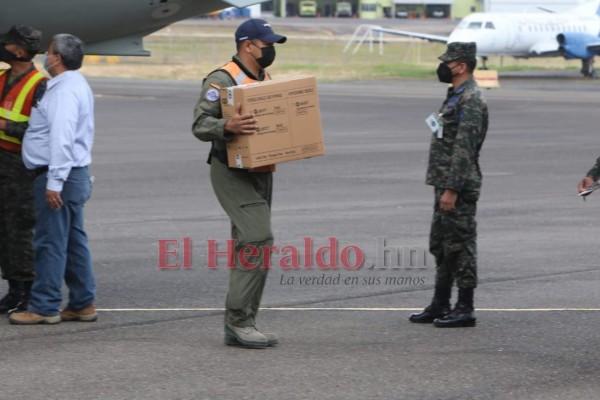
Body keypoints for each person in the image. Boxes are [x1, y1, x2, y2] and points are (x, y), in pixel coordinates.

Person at [192, 19, 286, 348]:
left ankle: (244, 321)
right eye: (267, 44)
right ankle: (238, 320)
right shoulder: (222, 79)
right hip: (230, 170)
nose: (271, 50)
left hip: (261, 170)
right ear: (248, 45)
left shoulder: (264, 78)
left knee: (250, 244)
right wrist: (227, 125)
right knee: (258, 236)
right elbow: (200, 124)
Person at [10, 33, 96, 325]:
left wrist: (53, 183)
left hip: (58, 175)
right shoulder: (73, 84)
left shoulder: (62, 92)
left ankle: (44, 306)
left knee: (49, 243)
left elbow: (62, 140)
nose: (44, 56)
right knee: (73, 242)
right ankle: (83, 303)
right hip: (72, 175)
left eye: (48, 52)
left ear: (56, 58)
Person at [409, 42, 488, 328]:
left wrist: (453, 189)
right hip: (443, 184)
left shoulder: (471, 100)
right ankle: (440, 302)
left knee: (461, 245)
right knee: (441, 245)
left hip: (459, 186)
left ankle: (464, 306)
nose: (444, 67)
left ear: (462, 66)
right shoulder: (455, 96)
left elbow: (464, 149)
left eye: (448, 62)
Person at [0, 25, 47, 314]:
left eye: (6, 44)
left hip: (20, 167)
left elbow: (41, 131)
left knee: (18, 229)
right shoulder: (2, 78)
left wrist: (5, 126)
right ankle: (12, 289)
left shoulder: (39, 84)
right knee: (2, 229)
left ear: (18, 50)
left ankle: (25, 290)